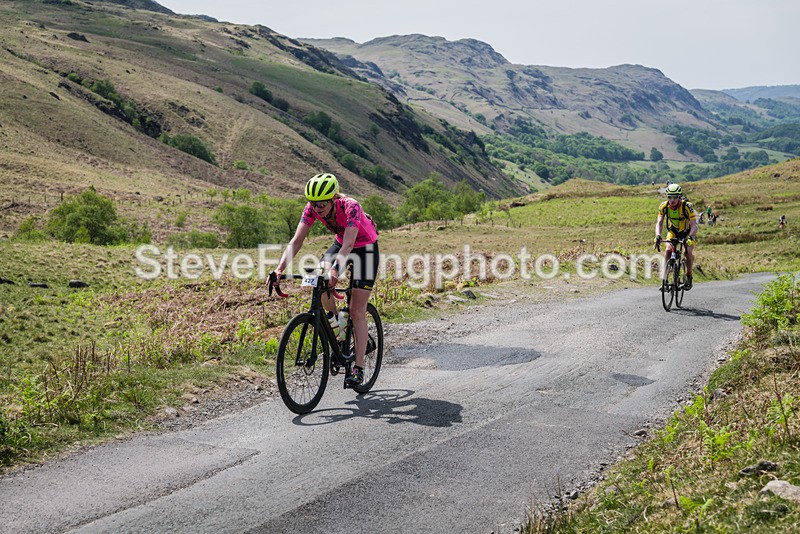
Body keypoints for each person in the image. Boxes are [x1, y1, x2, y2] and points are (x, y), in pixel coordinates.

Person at [272, 173, 379, 387]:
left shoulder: (351, 206)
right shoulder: (311, 209)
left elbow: (349, 246)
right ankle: (337, 324)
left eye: (321, 204)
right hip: (341, 245)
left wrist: (336, 271)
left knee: (357, 311)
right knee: (316, 279)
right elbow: (296, 241)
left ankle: (358, 368)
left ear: (333, 199)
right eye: (313, 203)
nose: (317, 208)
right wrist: (279, 269)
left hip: (364, 248)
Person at [654, 183, 698, 290]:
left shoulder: (687, 206)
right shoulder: (664, 206)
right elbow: (659, 223)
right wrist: (658, 235)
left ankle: (688, 275)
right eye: (669, 197)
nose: (672, 200)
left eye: (675, 197)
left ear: (679, 197)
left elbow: (694, 225)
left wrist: (690, 237)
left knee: (687, 252)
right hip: (673, 231)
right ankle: (665, 280)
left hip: (687, 232)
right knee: (668, 251)